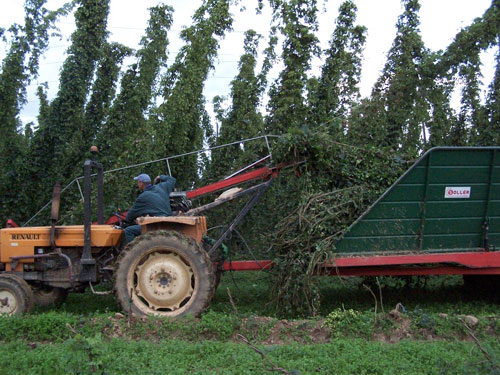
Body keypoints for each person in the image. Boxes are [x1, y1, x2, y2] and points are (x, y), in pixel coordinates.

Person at [123, 173, 176, 244]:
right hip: (167, 221)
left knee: (128, 231)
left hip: (157, 225)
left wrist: (126, 220)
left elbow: (131, 214)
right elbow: (172, 179)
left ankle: (135, 252)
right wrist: (160, 176)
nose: (137, 184)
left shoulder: (143, 197)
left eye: (138, 182)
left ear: (141, 183)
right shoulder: (162, 187)